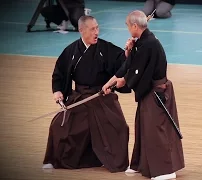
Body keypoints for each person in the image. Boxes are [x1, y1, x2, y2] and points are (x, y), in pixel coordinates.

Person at [42, 15, 131, 172]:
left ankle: (118, 163)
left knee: (120, 127)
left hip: (102, 96)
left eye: (97, 28)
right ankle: (55, 159)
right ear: (81, 30)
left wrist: (128, 53)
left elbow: (122, 63)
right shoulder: (71, 51)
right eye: (92, 29)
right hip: (81, 97)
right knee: (59, 126)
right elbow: (59, 72)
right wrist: (57, 91)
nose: (96, 32)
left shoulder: (106, 48)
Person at [103, 10, 184, 180]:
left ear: (134, 26)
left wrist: (124, 82)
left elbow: (140, 73)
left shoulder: (149, 44)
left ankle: (166, 170)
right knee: (143, 127)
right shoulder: (141, 42)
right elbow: (133, 65)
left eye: (127, 25)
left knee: (155, 129)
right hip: (149, 90)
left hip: (156, 92)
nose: (126, 28)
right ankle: (140, 164)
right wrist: (129, 54)